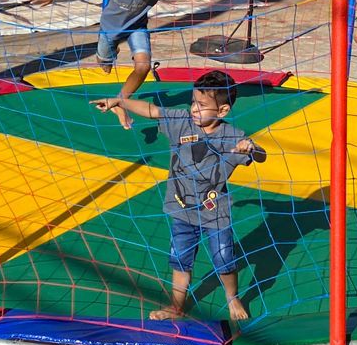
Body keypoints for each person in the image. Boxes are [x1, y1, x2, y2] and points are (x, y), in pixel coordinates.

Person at [91, 71, 267, 322]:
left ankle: (232, 296)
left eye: (202, 105)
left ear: (223, 110)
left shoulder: (231, 135)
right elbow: (151, 110)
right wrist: (118, 101)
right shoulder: (181, 121)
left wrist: (251, 148)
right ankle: (176, 306)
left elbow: (261, 156)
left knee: (224, 258)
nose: (195, 109)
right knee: (180, 260)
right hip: (181, 208)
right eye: (193, 102)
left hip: (214, 211)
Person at [31, 0, 233, 129]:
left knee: (143, 66)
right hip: (109, 31)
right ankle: (109, 54)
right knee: (105, 64)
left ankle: (120, 101)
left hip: (136, 28)